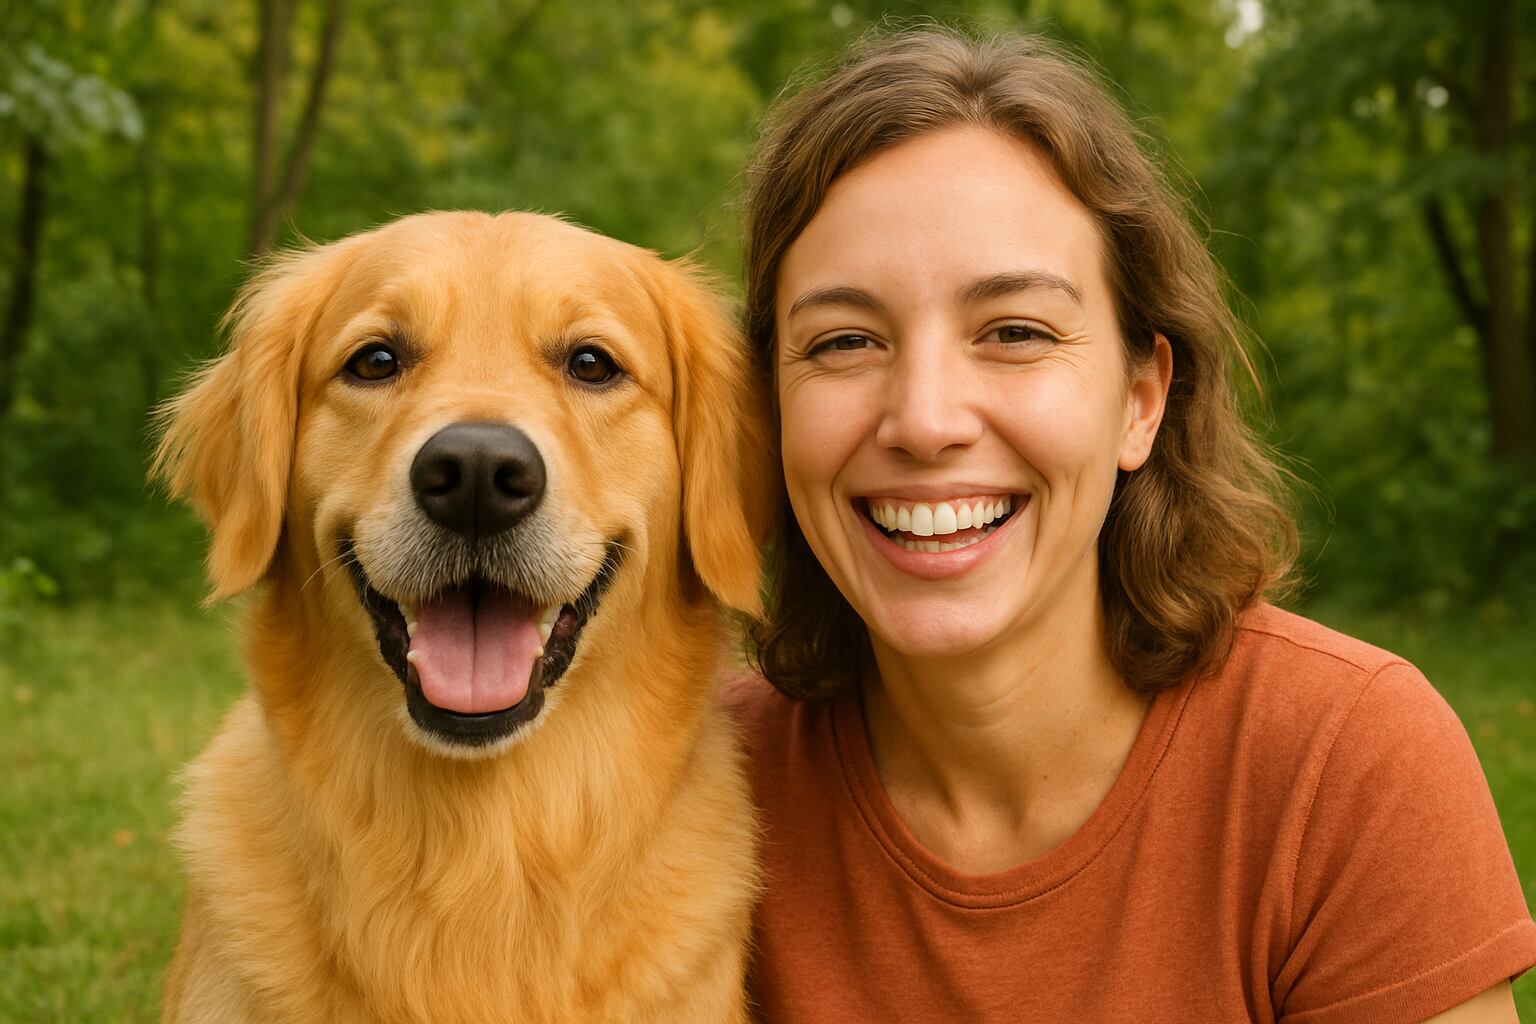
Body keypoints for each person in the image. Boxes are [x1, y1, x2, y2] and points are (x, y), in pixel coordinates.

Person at [726, 28, 1536, 1023]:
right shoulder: (696, 788)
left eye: (1015, 332)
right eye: (844, 341)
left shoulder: (1344, 763)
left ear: (1140, 398)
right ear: (766, 404)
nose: (925, 419)